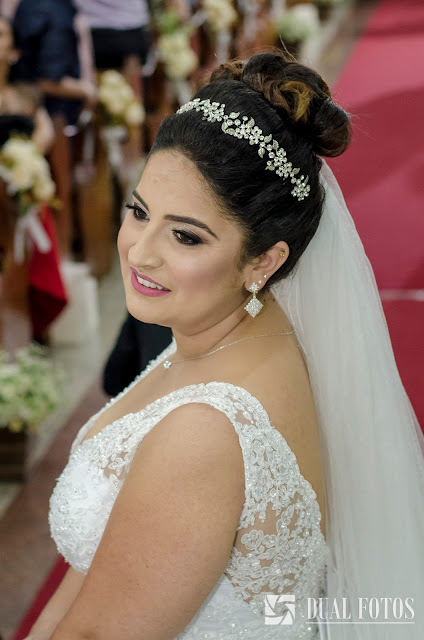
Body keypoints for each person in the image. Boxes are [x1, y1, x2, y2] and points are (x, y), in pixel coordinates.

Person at [28, 52, 424, 639]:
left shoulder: (205, 430)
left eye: (186, 236)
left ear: (264, 261)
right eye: (139, 212)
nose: (141, 252)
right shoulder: (236, 336)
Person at [0, 16, 54, 153]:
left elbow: (46, 134)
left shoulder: (28, 94)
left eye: (0, 34)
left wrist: (18, 159)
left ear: (14, 53)